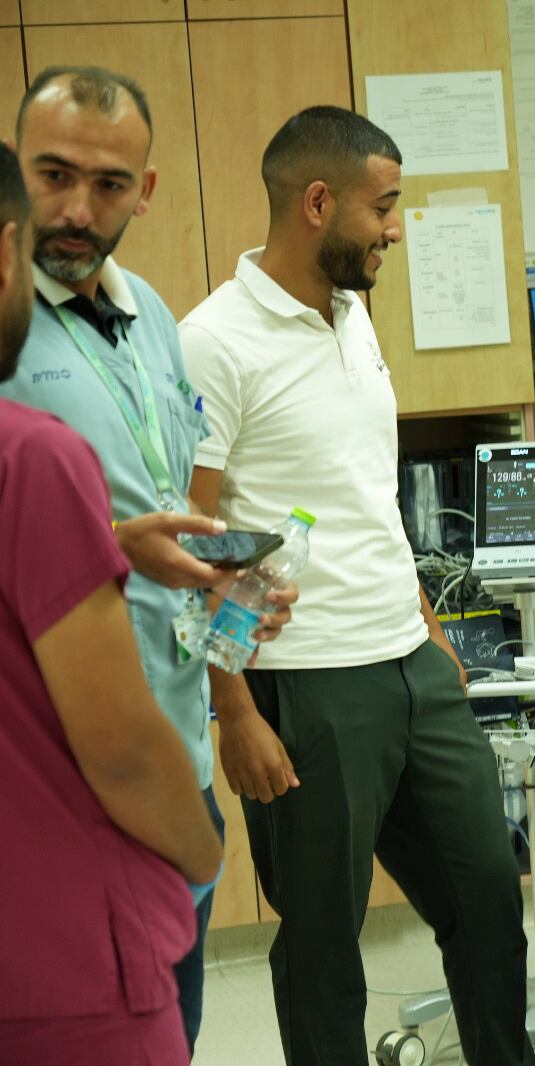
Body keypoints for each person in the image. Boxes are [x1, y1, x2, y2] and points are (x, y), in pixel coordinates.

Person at [178, 106, 534, 1065]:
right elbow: (194, 541)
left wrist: (425, 622)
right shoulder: (213, 341)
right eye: (384, 208)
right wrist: (234, 709)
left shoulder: (352, 311)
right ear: (317, 201)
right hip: (303, 686)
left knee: (491, 907)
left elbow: (364, 489)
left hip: (411, 666)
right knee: (326, 951)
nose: (394, 230)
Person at [0, 65, 294, 1056]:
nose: (77, 209)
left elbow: (157, 511)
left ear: (147, 189)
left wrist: (227, 591)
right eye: (52, 175)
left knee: (170, 1032)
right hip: (66, 764)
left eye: (109, 184)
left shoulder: (155, 320)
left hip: (167, 742)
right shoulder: (4, 335)